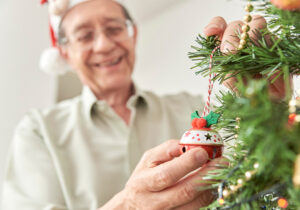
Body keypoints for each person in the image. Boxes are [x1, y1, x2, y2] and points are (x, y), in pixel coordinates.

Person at [1, 0, 289, 209]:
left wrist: (267, 106)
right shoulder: (39, 131)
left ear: (133, 35)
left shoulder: (195, 108)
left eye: (114, 29)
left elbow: (255, 180)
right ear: (64, 51)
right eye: (85, 35)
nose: (103, 45)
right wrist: (127, 206)